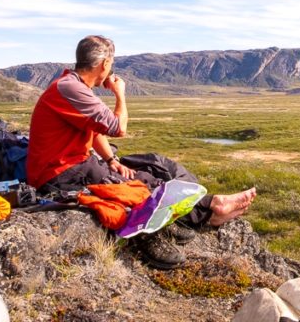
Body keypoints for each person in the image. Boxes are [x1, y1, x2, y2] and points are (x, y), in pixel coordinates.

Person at [27, 34, 256, 268]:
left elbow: (93, 131)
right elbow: (118, 127)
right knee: (138, 189)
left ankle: (200, 210)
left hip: (73, 165)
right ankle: (181, 222)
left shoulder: (72, 86)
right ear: (105, 64)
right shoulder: (71, 88)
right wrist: (119, 93)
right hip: (61, 172)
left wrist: (110, 159)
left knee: (147, 171)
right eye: (111, 64)